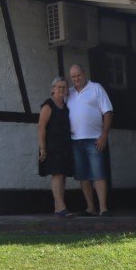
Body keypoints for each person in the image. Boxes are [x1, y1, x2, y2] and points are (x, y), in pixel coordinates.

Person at [67, 64, 113, 217]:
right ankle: (90, 207)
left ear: (84, 73)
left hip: (95, 139)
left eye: (78, 75)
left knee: (98, 173)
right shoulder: (70, 93)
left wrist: (104, 135)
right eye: (73, 77)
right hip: (75, 141)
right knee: (83, 175)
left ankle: (103, 208)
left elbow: (107, 112)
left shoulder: (96, 88)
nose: (76, 79)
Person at [38, 76, 75, 218]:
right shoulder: (48, 105)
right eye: (59, 87)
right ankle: (61, 207)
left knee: (63, 175)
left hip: (64, 145)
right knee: (57, 174)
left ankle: (58, 208)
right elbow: (41, 127)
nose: (61, 90)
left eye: (64, 87)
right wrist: (42, 148)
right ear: (53, 89)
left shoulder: (65, 107)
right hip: (51, 145)